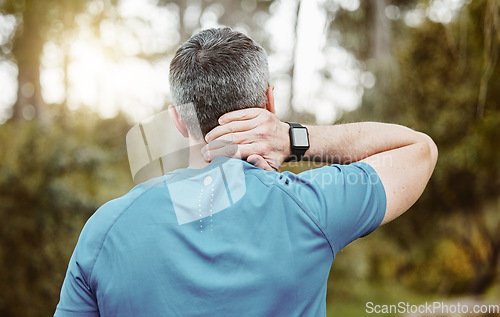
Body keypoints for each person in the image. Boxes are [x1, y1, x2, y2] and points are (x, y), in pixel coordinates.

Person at [54, 27, 438, 316]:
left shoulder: (104, 231)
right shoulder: (309, 206)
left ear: (179, 120)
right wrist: (295, 138)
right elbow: (418, 150)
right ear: (269, 101)